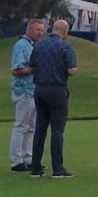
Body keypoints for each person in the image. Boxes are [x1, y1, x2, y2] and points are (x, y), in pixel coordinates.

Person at [29, 17, 80, 179]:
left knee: (40, 128)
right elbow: (72, 70)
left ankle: (35, 167)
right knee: (57, 130)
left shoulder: (38, 45)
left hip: (39, 90)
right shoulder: (65, 46)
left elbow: (32, 65)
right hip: (57, 90)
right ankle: (57, 168)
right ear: (65, 32)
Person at [8, 19, 45, 172]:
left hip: (34, 91)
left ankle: (28, 158)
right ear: (29, 29)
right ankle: (16, 160)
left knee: (31, 127)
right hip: (24, 91)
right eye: (37, 30)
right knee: (21, 126)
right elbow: (16, 69)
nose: (40, 33)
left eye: (42, 30)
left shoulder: (34, 46)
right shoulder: (21, 46)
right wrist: (34, 68)